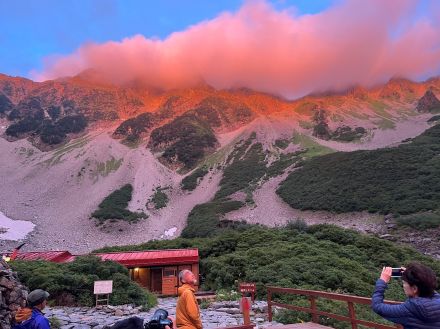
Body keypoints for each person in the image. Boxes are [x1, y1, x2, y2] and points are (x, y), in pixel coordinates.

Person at [371, 262, 440, 328]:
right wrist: (415, 276)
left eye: (404, 283)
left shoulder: (410, 309)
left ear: (414, 289)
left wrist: (382, 281)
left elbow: (377, 306)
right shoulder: (437, 299)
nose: (403, 285)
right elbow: (429, 289)